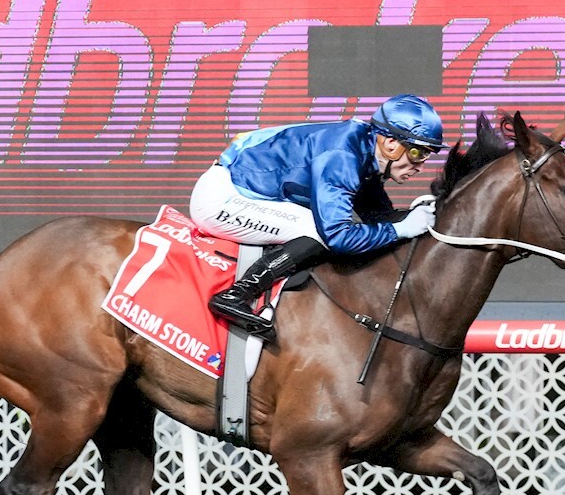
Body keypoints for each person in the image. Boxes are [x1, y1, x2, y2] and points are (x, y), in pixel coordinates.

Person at [188, 93, 446, 340]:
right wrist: (400, 229)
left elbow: (379, 216)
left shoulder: (364, 149)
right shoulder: (342, 157)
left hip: (243, 189)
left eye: (427, 154)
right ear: (391, 144)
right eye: (417, 153)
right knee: (319, 233)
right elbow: (338, 237)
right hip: (221, 199)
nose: (421, 165)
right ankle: (235, 296)